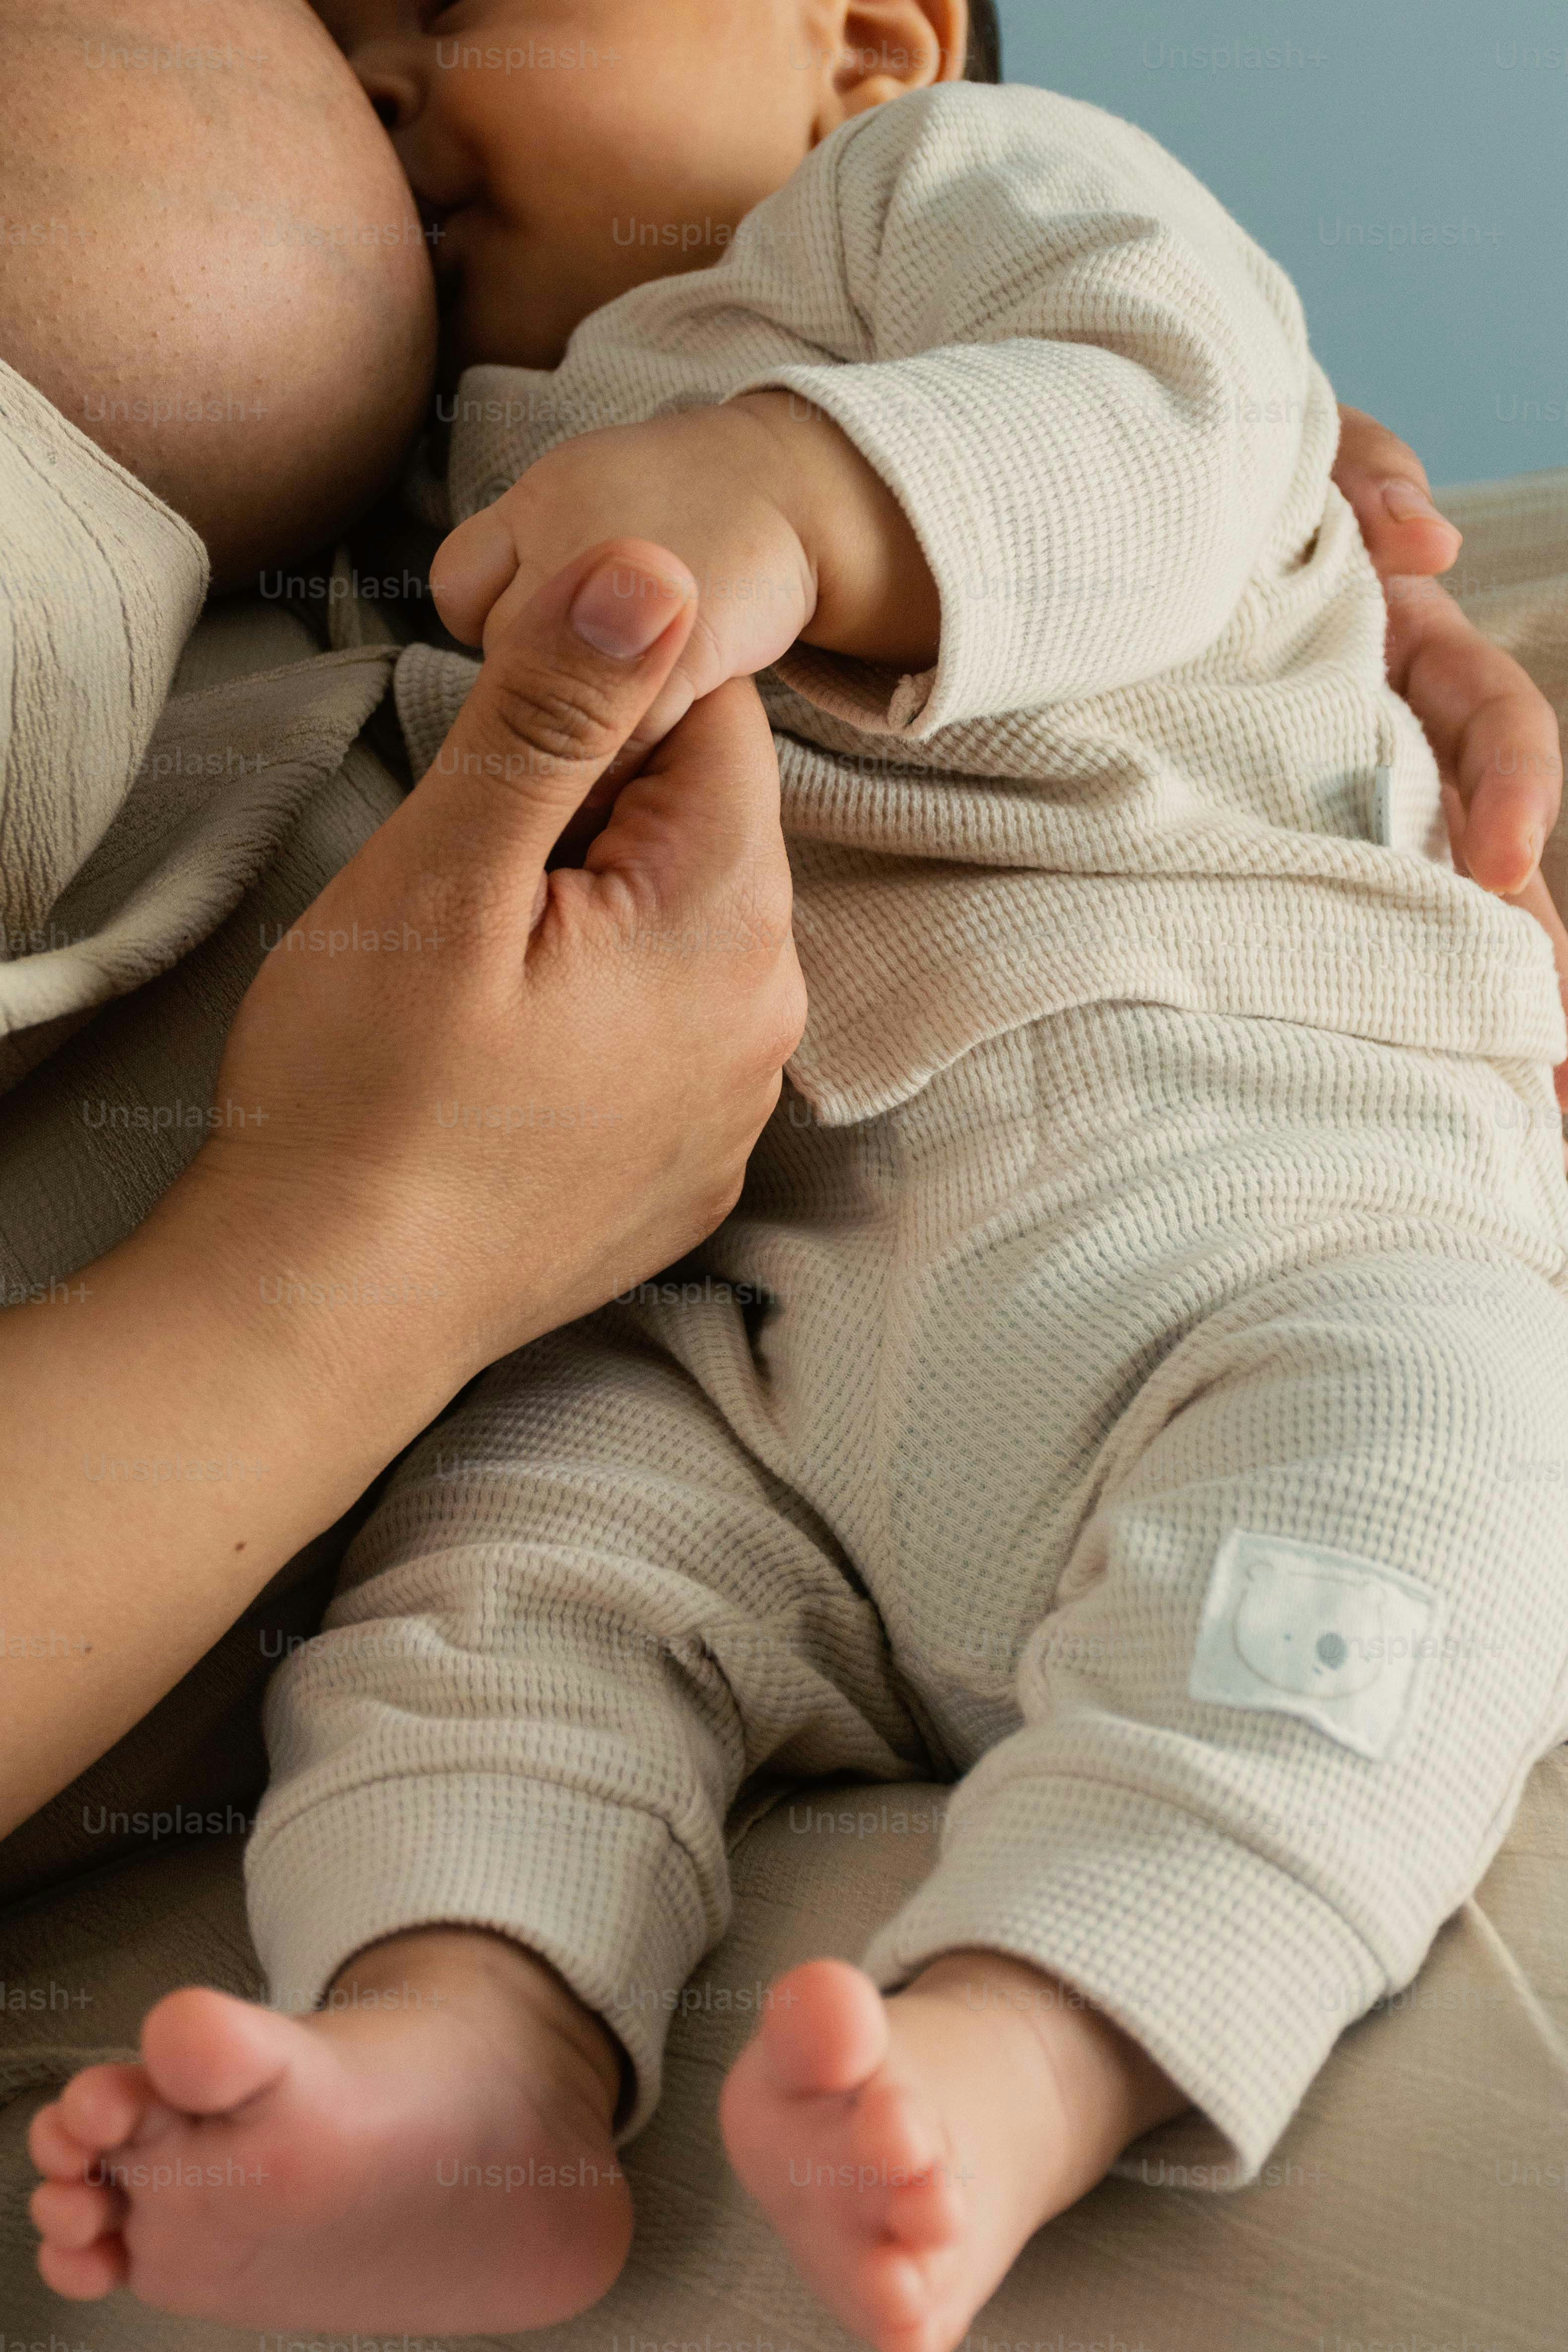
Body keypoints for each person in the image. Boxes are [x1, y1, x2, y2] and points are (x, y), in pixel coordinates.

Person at [14, 1, 1568, 2347]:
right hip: (724, 1302)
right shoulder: (437, 470)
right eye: (341, 27)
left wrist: (801, 491)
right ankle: (470, 2055)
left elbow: (1179, 407)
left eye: (458, 4)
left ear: (861, 37)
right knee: (490, 1602)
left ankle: (1042, 2036)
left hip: (1226, 1171)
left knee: (1409, 1492)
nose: (381, 74)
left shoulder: (946, 196)